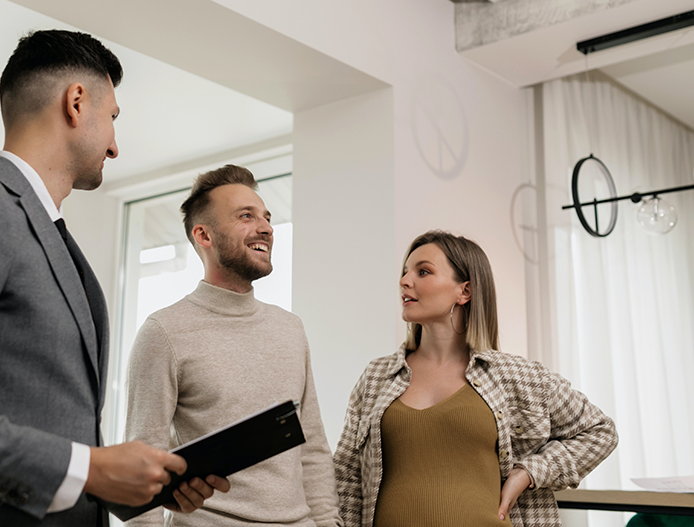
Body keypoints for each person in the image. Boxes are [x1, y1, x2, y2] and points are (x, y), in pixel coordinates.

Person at [0, 29, 227, 527]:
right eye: (114, 118)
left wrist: (126, 488)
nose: (116, 146)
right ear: (77, 103)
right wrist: (90, 468)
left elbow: (53, 425)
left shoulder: (49, 234)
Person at [334, 230, 618, 527]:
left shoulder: (516, 376)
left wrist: (529, 472)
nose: (405, 281)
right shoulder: (376, 377)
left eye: (423, 272)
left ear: (465, 291)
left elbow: (600, 431)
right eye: (405, 273)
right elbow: (346, 477)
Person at [124, 165, 342, 527]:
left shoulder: (290, 329)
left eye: (267, 218)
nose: (266, 227)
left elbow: (313, 449)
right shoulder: (164, 332)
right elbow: (143, 461)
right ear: (204, 235)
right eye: (246, 216)